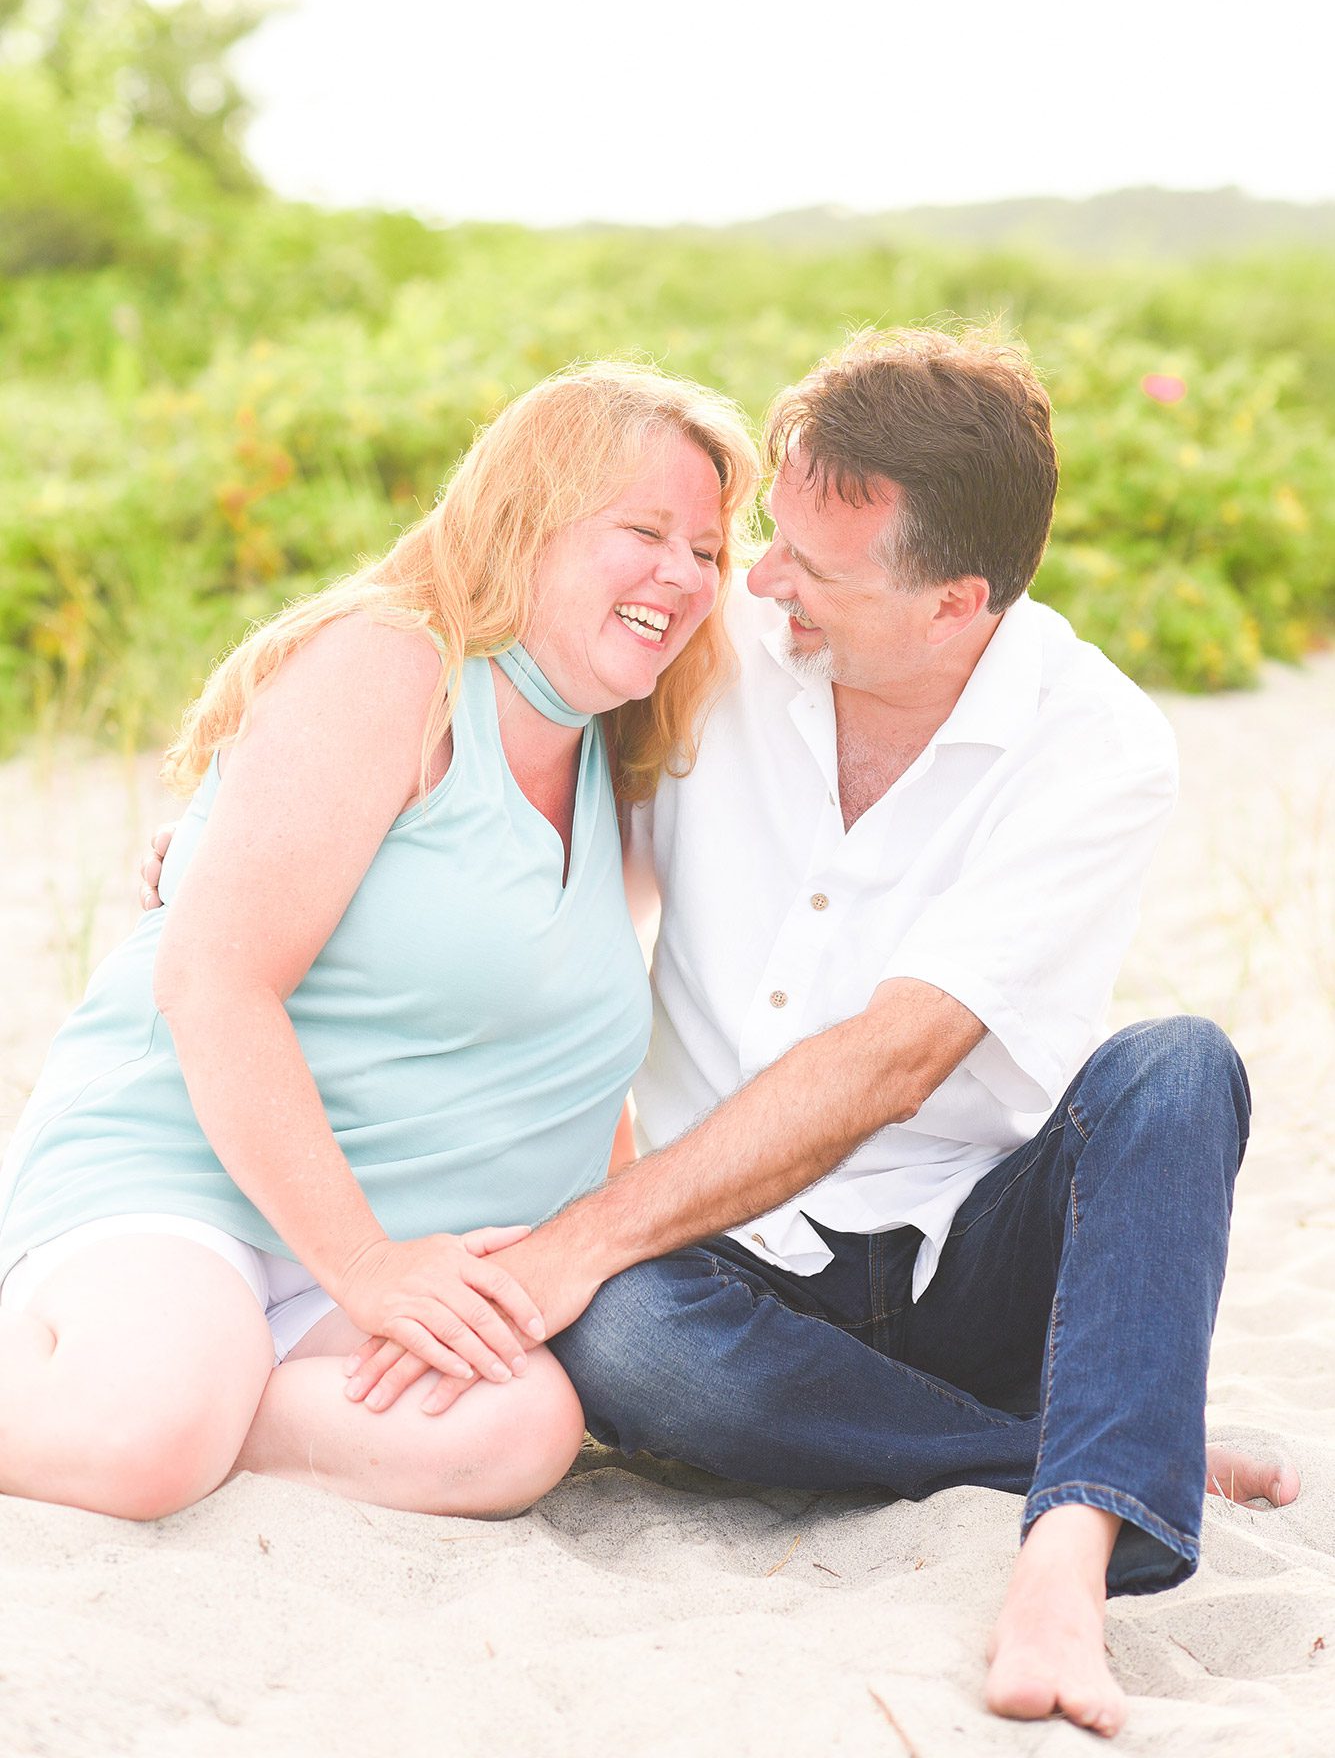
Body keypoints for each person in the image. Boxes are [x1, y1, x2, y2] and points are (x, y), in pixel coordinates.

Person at [341, 327, 1298, 1737]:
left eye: (812, 570)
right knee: (624, 1341)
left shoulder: (1090, 741)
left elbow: (895, 1061)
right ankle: (1096, 1452)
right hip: (725, 1275)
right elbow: (468, 669)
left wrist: (581, 1233)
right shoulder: (713, 647)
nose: (755, 580)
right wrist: (268, 815)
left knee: (1177, 1068)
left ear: (952, 604)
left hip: (961, 1257)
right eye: (763, 537)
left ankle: (1071, 1551)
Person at [0, 361, 760, 1523]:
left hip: (399, 1238)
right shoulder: (396, 668)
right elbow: (213, 978)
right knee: (139, 1439)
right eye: (644, 530)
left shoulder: (629, 759)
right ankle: (155, 1377)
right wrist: (363, 1263)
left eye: (706, 549)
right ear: (528, 522)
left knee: (518, 1427)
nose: (684, 573)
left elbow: (568, 1054)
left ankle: (202, 1380)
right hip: (197, 1177)